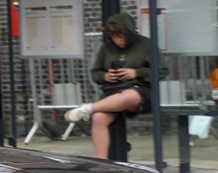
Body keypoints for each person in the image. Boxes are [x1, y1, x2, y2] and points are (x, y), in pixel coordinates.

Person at [64, 13, 168, 159]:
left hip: (139, 90)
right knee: (99, 118)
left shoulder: (146, 45)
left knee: (129, 96)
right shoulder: (106, 48)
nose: (118, 41)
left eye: (120, 36)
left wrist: (136, 72)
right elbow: (95, 72)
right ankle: (102, 164)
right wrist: (105, 76)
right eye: (113, 37)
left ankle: (87, 109)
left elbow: (163, 70)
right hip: (112, 91)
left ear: (129, 32)